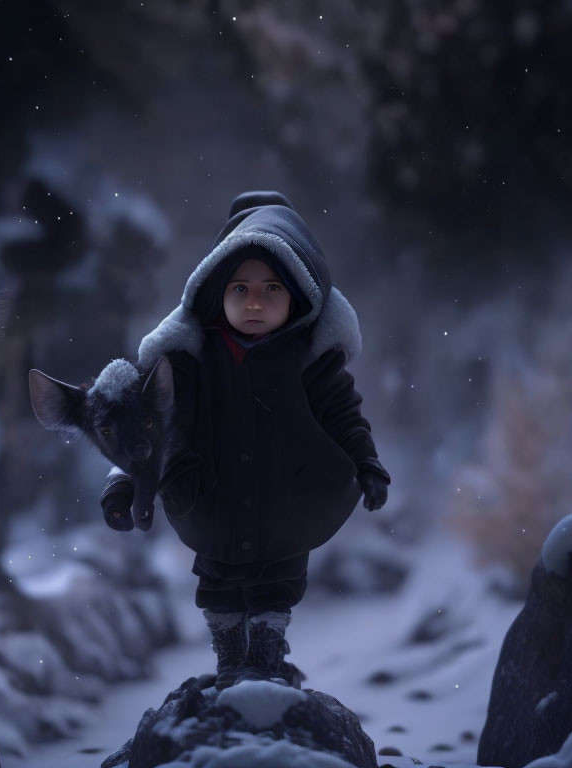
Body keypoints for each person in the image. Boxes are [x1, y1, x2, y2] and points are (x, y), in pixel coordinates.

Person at [100, 190, 390, 690]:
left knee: (277, 584)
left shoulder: (311, 361)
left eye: (272, 288)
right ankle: (230, 658)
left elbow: (346, 417)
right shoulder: (190, 361)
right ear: (217, 293)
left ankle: (266, 657)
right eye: (240, 289)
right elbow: (148, 427)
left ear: (300, 295)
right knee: (219, 584)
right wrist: (123, 484)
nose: (255, 301)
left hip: (287, 498)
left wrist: (367, 464)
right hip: (212, 496)